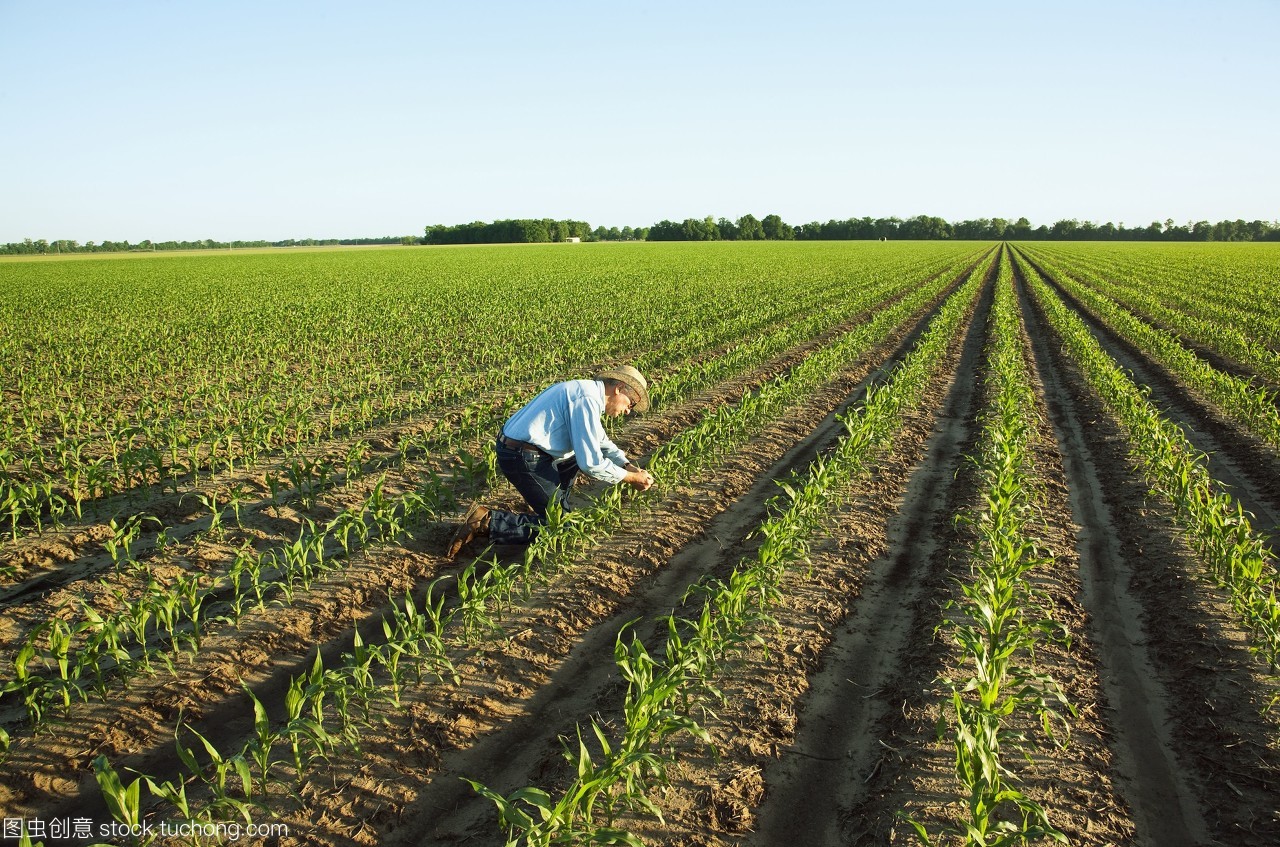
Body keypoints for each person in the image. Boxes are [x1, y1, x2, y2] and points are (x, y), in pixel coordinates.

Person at [447, 364, 656, 558]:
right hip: (522, 456)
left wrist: (627, 465)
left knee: (568, 477)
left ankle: (553, 507)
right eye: (631, 404)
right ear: (619, 388)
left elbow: (601, 440)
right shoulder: (586, 399)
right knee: (561, 527)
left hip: (524, 450)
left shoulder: (587, 393)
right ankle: (485, 522)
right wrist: (630, 478)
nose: (628, 411)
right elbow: (590, 463)